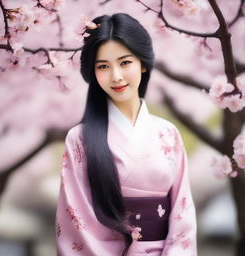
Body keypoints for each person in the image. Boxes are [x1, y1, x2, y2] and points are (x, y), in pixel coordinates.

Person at [55, 13, 197, 256]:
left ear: (142, 63)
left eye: (124, 62)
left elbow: (183, 214)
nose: (116, 76)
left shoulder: (168, 133)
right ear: (93, 72)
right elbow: (77, 223)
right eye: (103, 66)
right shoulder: (79, 139)